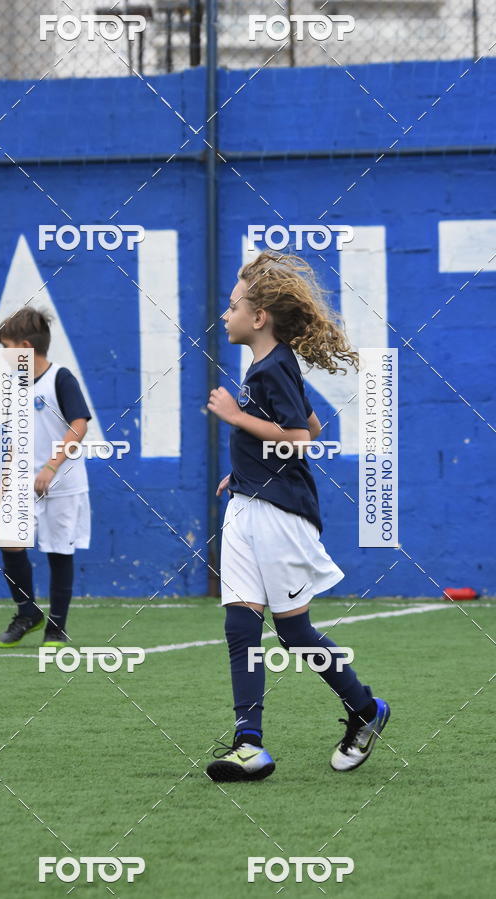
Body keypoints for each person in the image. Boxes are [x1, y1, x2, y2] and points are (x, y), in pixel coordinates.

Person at [206, 251, 389, 781]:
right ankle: (249, 745)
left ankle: (366, 709)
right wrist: (243, 476)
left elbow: (302, 439)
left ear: (258, 317)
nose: (225, 312)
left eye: (233, 303)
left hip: (282, 517)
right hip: (248, 505)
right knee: (240, 626)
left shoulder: (273, 366)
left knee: (294, 635)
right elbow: (307, 420)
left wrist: (236, 417)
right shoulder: (267, 366)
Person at [0, 307, 91, 648]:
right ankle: (27, 612)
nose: (2, 356)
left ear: (23, 346)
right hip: (23, 480)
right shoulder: (12, 387)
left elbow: (79, 424)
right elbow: (12, 434)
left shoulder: (60, 378)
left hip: (62, 481)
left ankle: (57, 627)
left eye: (5, 347)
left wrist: (51, 466)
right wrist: (7, 476)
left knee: (58, 550)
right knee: (9, 540)